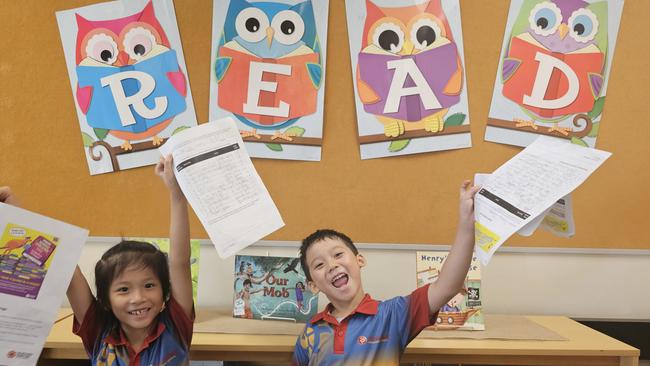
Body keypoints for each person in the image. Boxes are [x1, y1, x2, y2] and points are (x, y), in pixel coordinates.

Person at [292, 180, 480, 365]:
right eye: (319, 265)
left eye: (338, 254)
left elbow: (447, 287)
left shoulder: (393, 315)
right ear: (313, 285)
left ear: (359, 260)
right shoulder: (310, 331)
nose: (332, 265)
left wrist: (467, 226)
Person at [65, 155, 194, 365]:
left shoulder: (175, 326)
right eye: (123, 289)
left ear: (165, 291)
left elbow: (180, 262)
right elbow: (66, 269)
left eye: (149, 285)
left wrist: (177, 195)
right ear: (105, 300)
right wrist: (13, 214)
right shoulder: (98, 331)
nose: (138, 297)